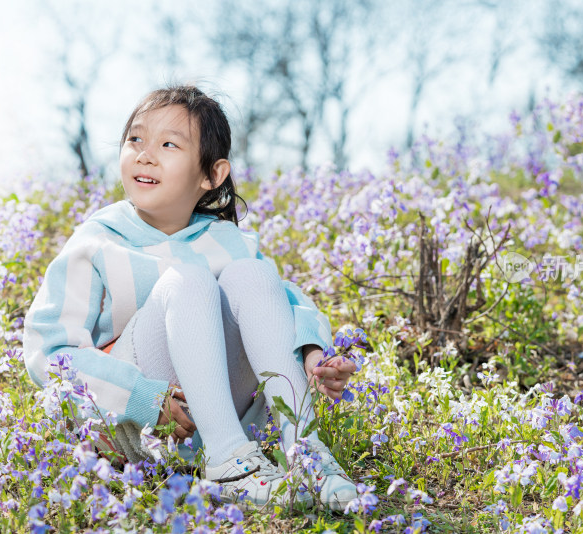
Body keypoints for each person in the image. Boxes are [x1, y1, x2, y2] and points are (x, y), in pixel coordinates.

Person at [23, 85, 359, 510]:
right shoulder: (97, 241)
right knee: (191, 282)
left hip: (235, 425)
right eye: (135, 140)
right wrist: (143, 396)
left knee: (255, 274)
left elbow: (286, 305)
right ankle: (230, 465)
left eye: (168, 144)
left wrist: (313, 352)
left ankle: (305, 452)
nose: (145, 155)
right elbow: (49, 351)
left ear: (211, 175)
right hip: (140, 429)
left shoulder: (229, 240)